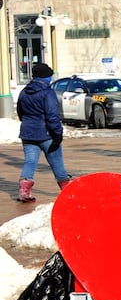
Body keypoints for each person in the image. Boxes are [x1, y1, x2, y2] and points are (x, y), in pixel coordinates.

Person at [16, 62, 71, 202]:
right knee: (56, 162)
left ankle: (24, 191)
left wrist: (29, 123)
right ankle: (68, 192)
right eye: (50, 76)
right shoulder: (48, 92)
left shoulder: (24, 92)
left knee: (30, 161)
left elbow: (20, 112)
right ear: (46, 77)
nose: (51, 79)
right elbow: (52, 116)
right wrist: (58, 134)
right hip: (46, 134)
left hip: (28, 133)